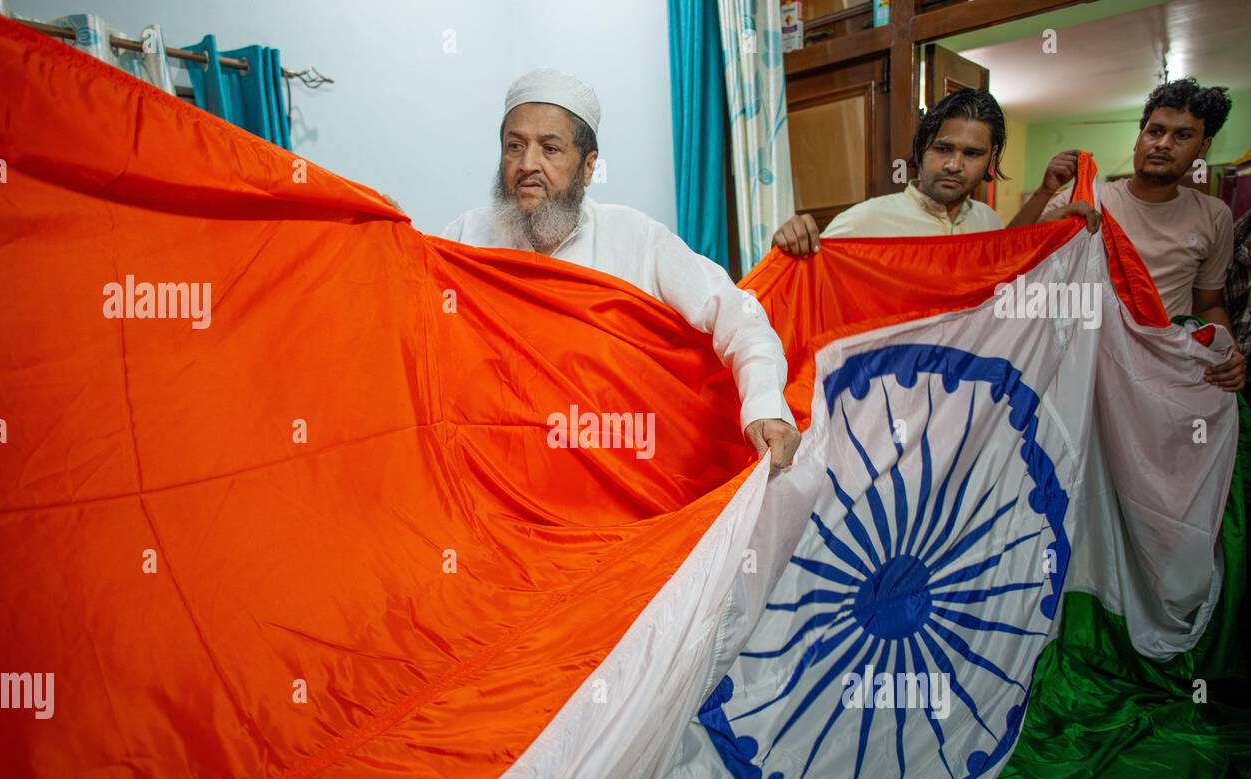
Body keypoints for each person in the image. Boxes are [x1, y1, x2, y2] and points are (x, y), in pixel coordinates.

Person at [440, 68, 800, 473]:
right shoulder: (464, 239)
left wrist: (765, 405)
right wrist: (382, 241)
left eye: (550, 149)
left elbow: (741, 318)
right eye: (515, 146)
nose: (528, 164)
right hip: (494, 477)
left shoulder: (637, 241)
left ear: (589, 166)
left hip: (609, 480)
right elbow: (409, 329)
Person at [1027, 78, 1244, 392]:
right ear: (1139, 136)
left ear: (1204, 146)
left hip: (1164, 375)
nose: (1163, 144)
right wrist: (1045, 205)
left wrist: (1229, 353)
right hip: (1083, 369)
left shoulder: (1214, 215)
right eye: (1155, 131)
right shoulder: (1082, 200)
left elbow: (1208, 304)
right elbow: (1012, 274)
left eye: (1182, 135)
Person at [772, 88, 1097, 251]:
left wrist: (1048, 201)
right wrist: (789, 241)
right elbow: (806, 281)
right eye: (943, 149)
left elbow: (1008, 251)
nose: (954, 165)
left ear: (990, 157)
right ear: (923, 147)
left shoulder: (986, 220)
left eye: (972, 153)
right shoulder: (864, 223)